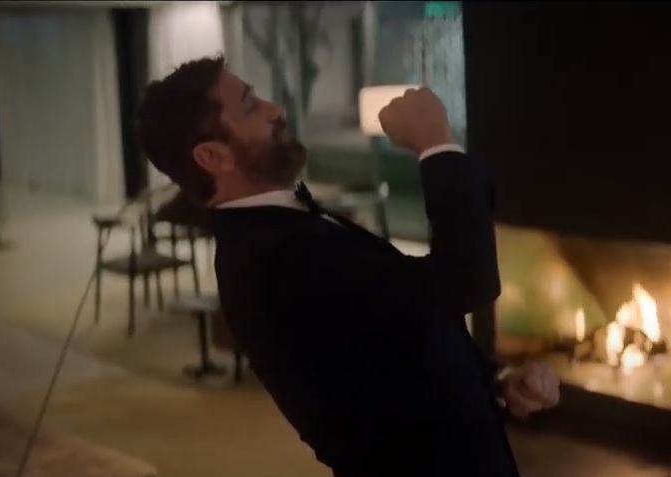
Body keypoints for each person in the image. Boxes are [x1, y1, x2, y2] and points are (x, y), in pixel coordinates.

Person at [135, 56, 560, 477]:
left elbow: (404, 315)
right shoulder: (274, 259)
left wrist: (494, 379)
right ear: (212, 156)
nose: (275, 110)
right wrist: (436, 143)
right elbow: (464, 281)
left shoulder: (281, 228)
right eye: (250, 106)